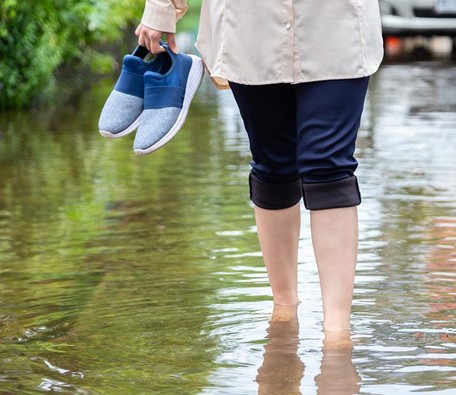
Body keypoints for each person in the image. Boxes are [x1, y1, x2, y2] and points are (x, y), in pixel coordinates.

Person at [136, 0, 384, 333]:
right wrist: (162, 8)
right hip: (249, 24)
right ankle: (284, 307)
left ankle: (338, 330)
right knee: (273, 165)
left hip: (335, 22)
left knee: (329, 166)